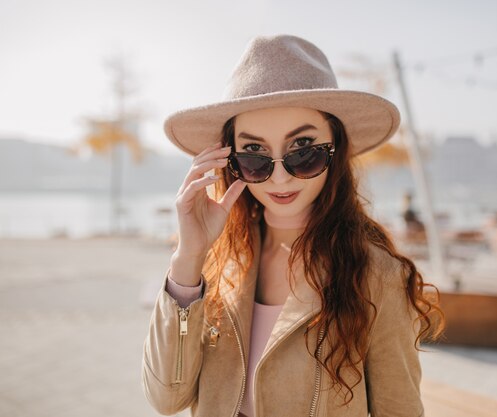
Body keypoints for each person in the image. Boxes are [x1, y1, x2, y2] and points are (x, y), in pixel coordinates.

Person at [142, 34, 443, 417]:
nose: (280, 179)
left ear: (336, 150)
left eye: (303, 152)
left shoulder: (376, 274)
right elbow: (165, 398)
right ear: (228, 159)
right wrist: (189, 256)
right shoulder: (215, 262)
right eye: (254, 154)